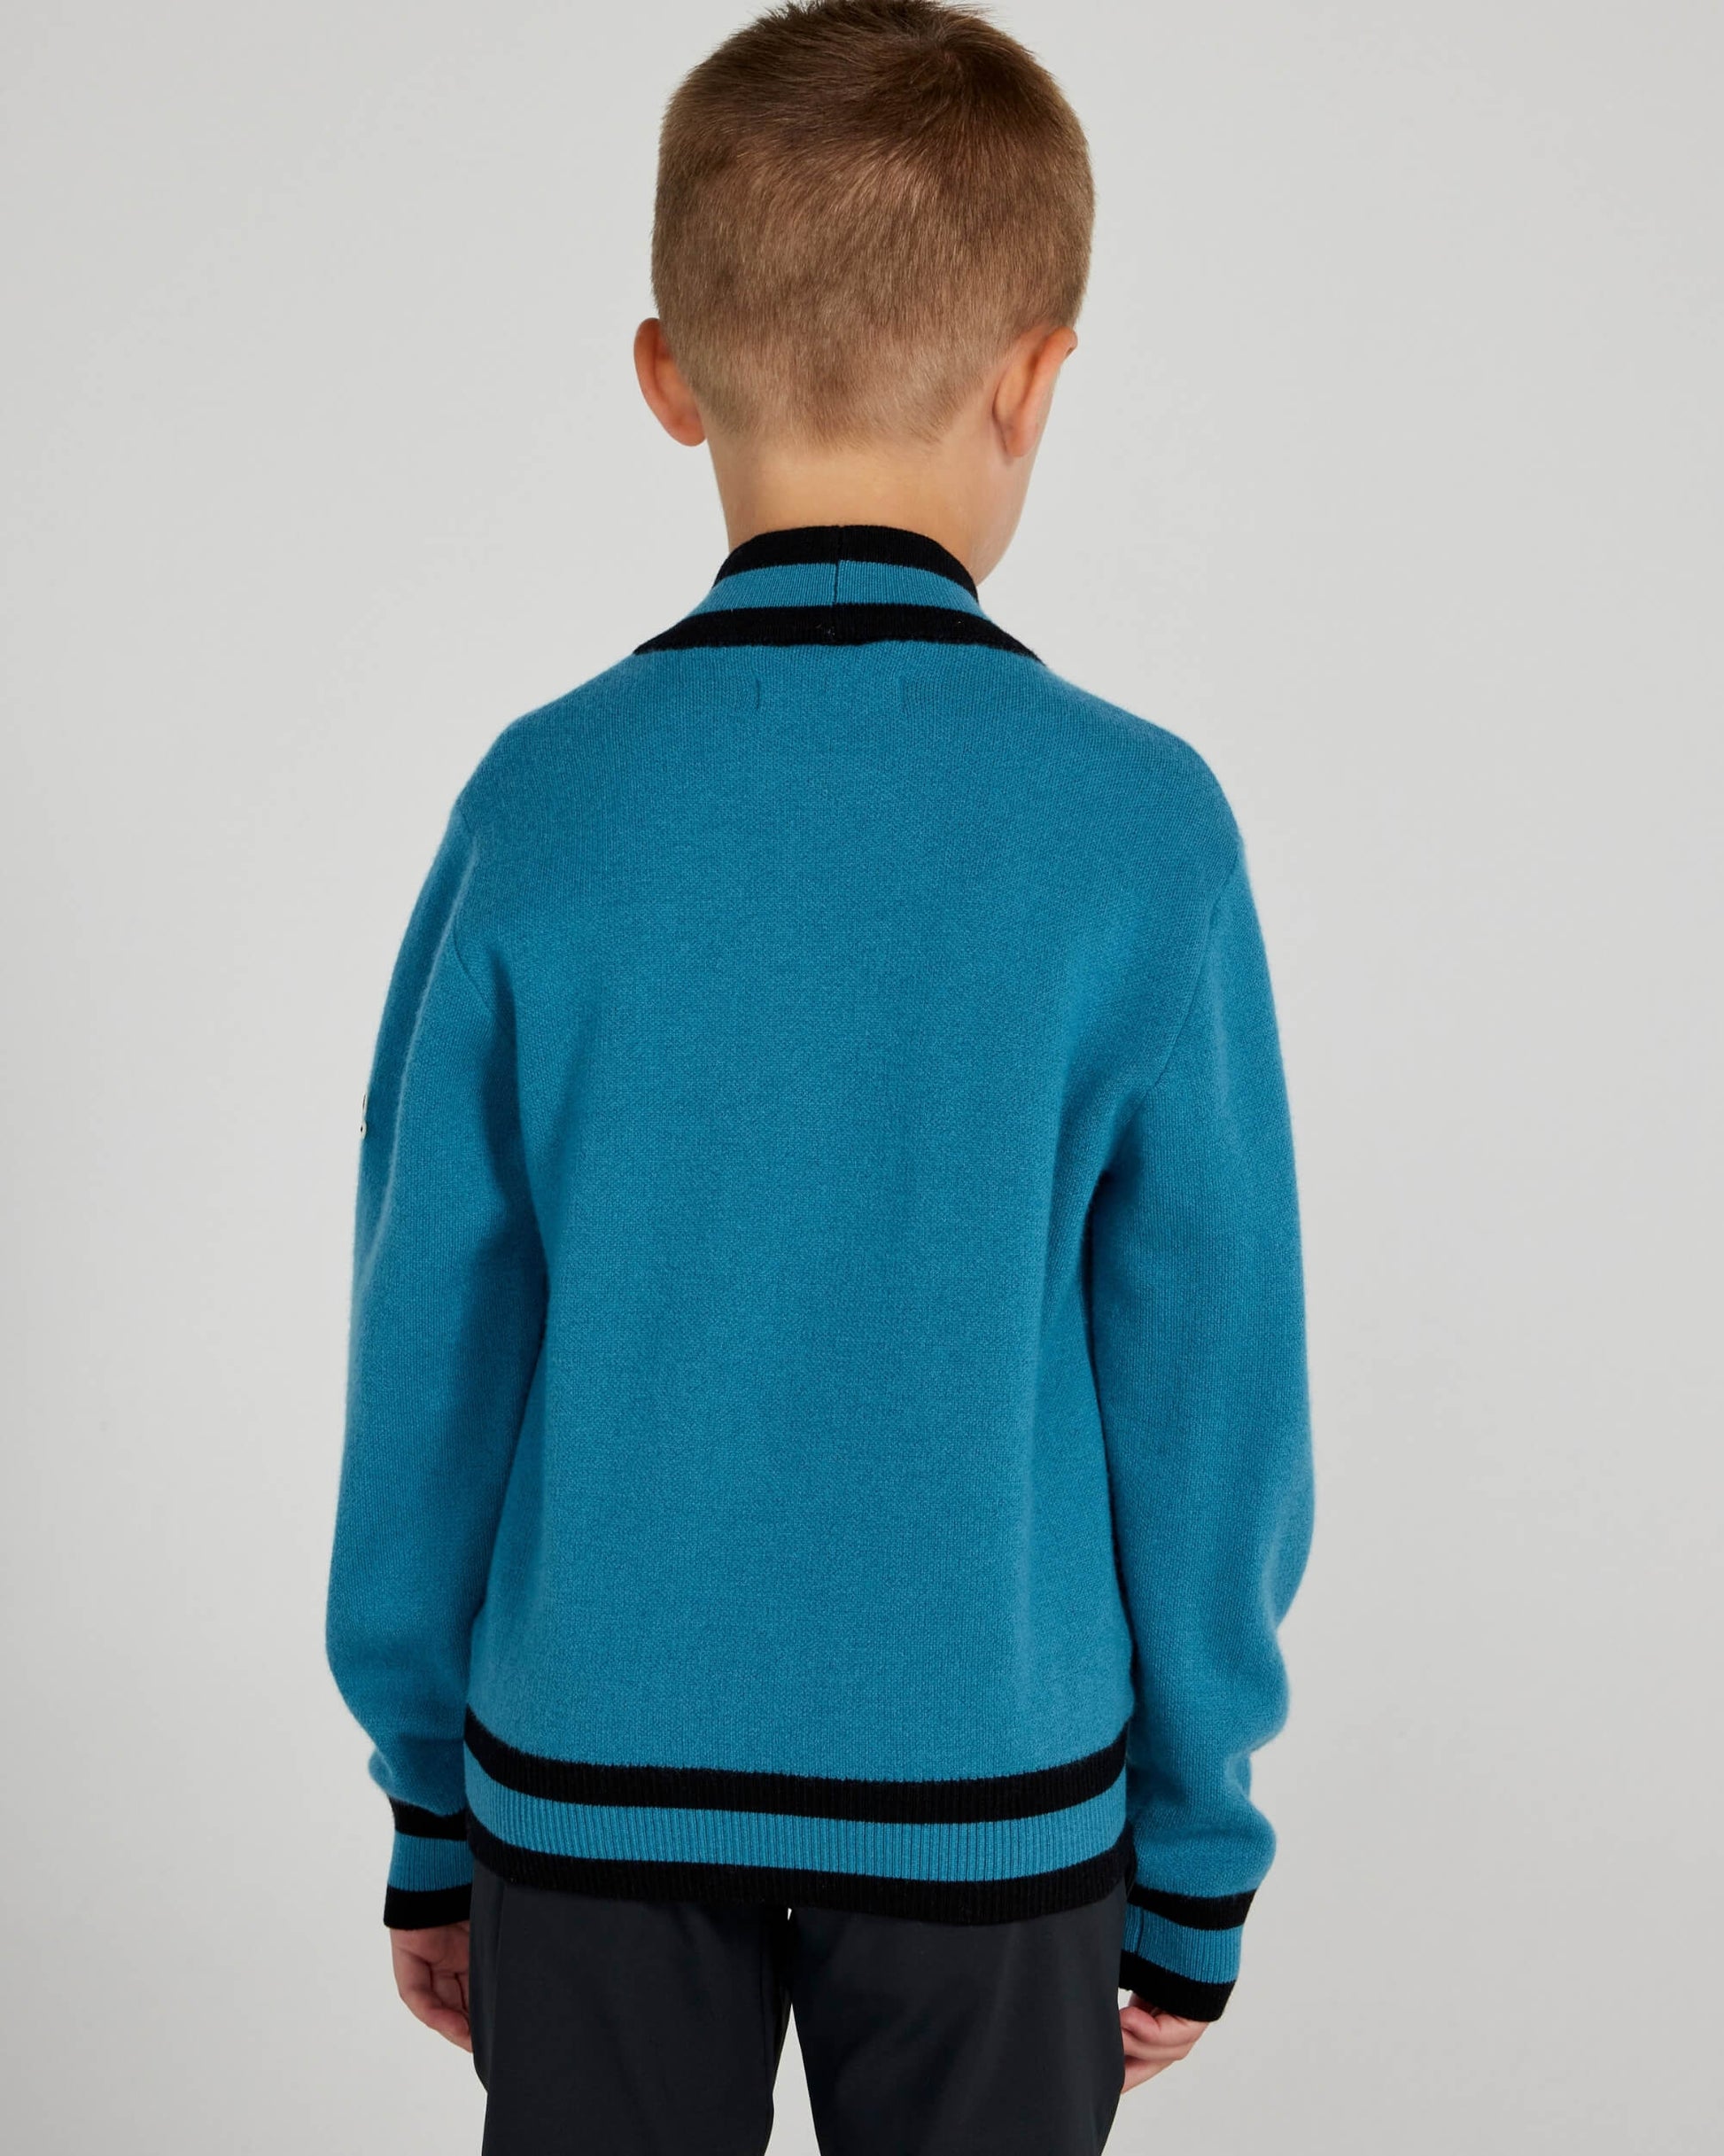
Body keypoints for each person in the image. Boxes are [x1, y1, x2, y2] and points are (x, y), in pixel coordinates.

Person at [325, 4, 1313, 2149]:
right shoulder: (1138, 829)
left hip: (585, 1786)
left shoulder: (542, 805)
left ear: (669, 371)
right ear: (1035, 378)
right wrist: (1194, 1840)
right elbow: (1209, 1384)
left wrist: (428, 1795)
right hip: (994, 1790)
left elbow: (432, 1336)